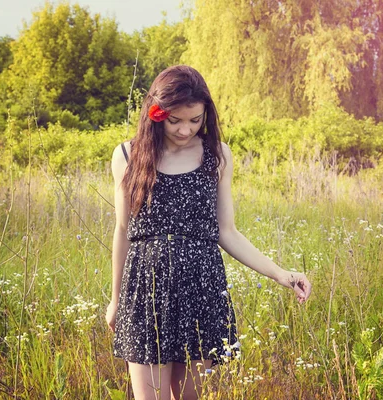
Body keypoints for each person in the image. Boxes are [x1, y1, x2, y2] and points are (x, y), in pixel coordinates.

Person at [105, 65, 312, 400]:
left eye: (195, 120)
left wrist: (282, 274)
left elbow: (227, 233)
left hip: (200, 289)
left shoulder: (217, 156)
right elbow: (124, 230)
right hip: (146, 292)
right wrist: (115, 300)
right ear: (157, 113)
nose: (186, 129)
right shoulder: (127, 156)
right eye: (175, 120)